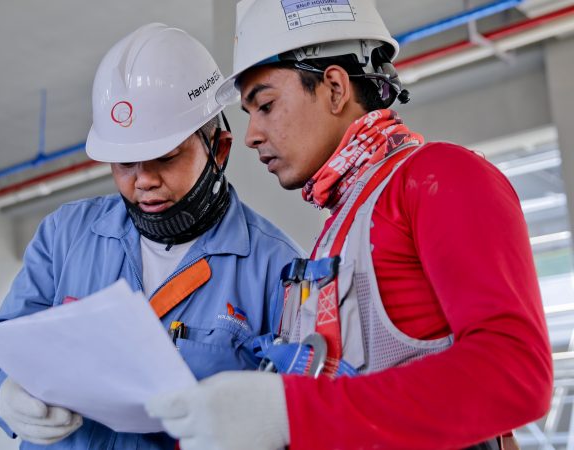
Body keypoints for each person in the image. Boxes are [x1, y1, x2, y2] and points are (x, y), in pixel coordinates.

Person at [145, 1, 553, 449]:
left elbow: (514, 375)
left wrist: (289, 412)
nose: (251, 136)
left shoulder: (440, 177)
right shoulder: (341, 230)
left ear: (336, 88)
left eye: (265, 105)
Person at [0, 23, 303, 449]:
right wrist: (4, 392)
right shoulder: (65, 236)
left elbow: (295, 408)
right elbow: (0, 342)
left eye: (165, 158)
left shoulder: (277, 269)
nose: (143, 181)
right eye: (124, 163)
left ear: (219, 148)